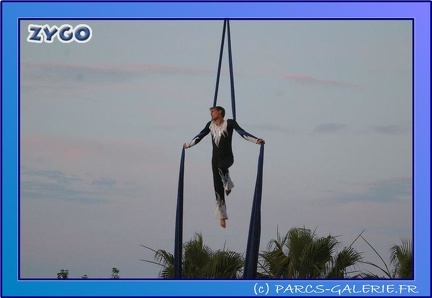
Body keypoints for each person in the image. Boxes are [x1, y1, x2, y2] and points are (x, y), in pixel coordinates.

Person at [183, 106, 265, 228]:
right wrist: (188, 145)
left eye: (213, 111)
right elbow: (200, 136)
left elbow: (242, 133)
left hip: (227, 158)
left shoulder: (230, 123)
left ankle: (228, 185)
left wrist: (257, 140)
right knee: (217, 187)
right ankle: (222, 217)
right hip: (214, 160)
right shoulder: (210, 125)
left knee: (222, 167)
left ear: (220, 112)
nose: (211, 114)